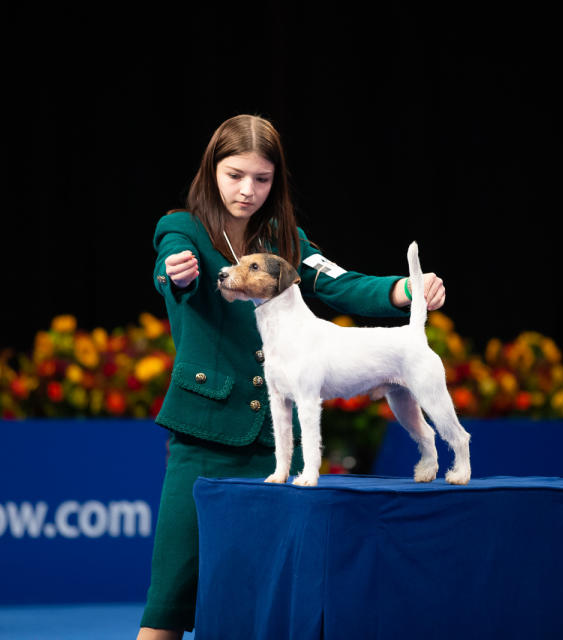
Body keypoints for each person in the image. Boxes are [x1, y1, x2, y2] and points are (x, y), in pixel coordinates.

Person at [139, 114, 446, 639]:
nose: (247, 190)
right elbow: (169, 270)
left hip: (274, 445)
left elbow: (337, 282)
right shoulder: (181, 229)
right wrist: (175, 272)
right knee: (169, 603)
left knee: (264, 605)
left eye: (262, 179)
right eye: (235, 174)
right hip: (205, 438)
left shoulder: (285, 237)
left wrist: (400, 292)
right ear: (212, 169)